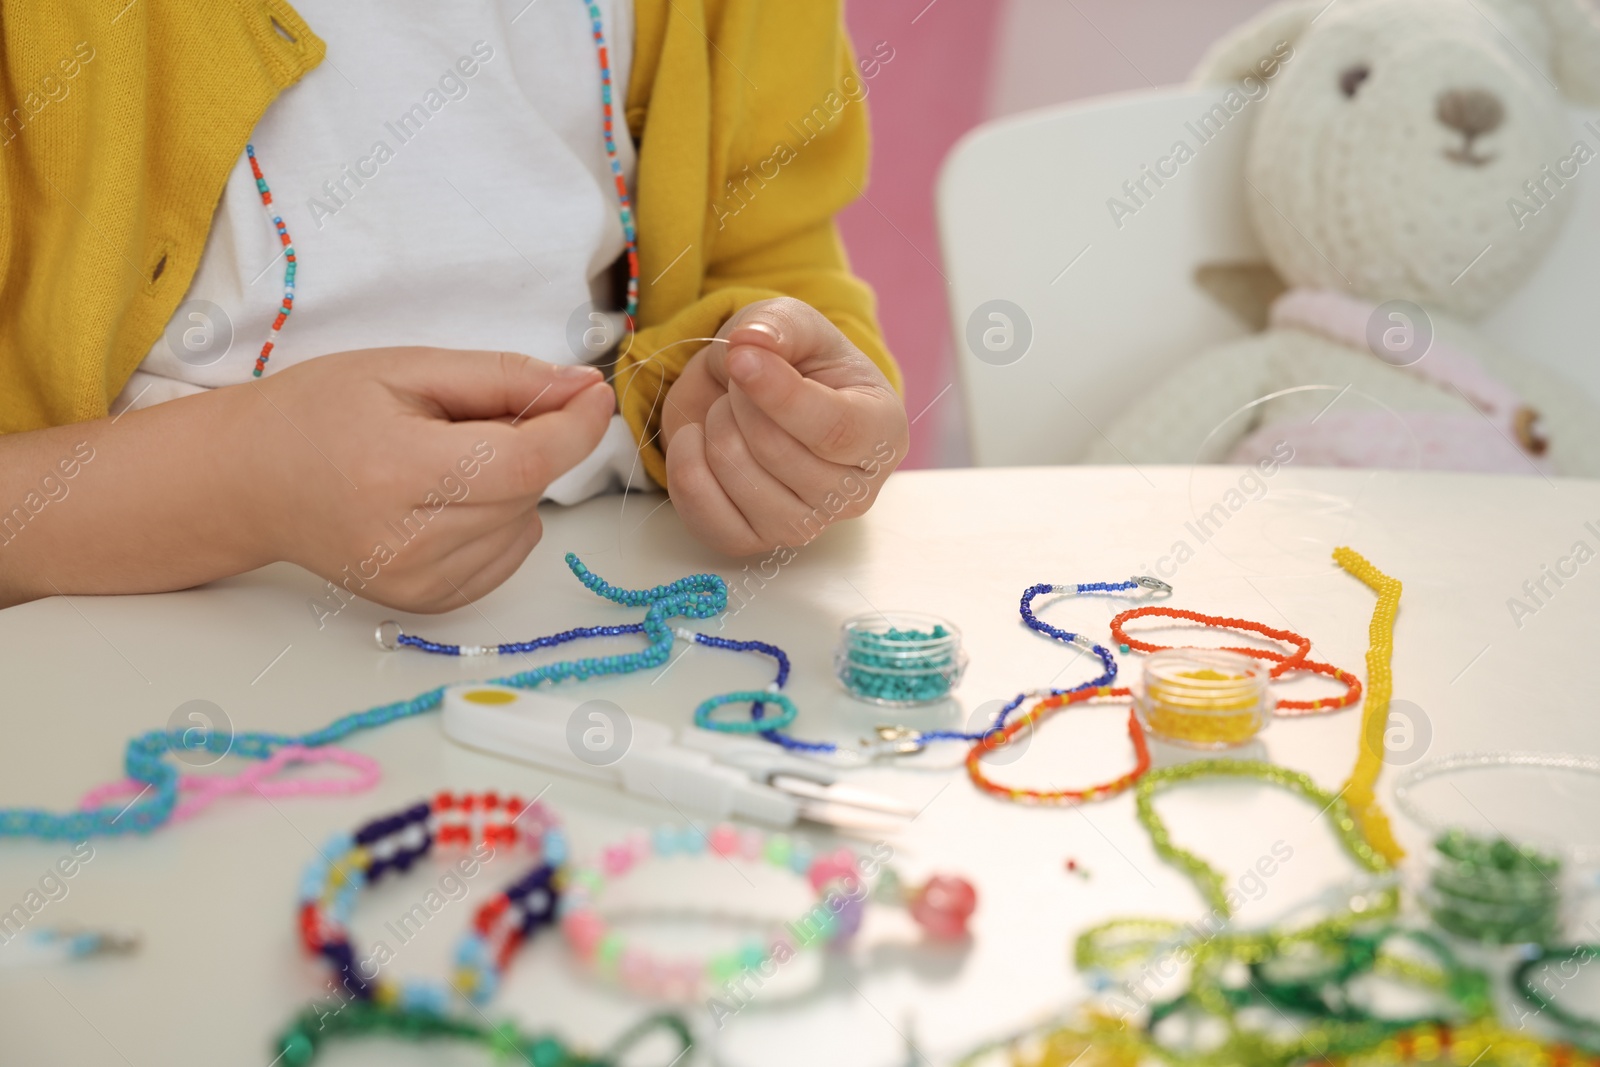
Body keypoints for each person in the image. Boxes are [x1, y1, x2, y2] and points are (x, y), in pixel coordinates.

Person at [0, 0, 908, 611]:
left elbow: (771, 249)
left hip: (611, 591)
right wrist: (240, 481)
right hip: (105, 631)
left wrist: (751, 409)